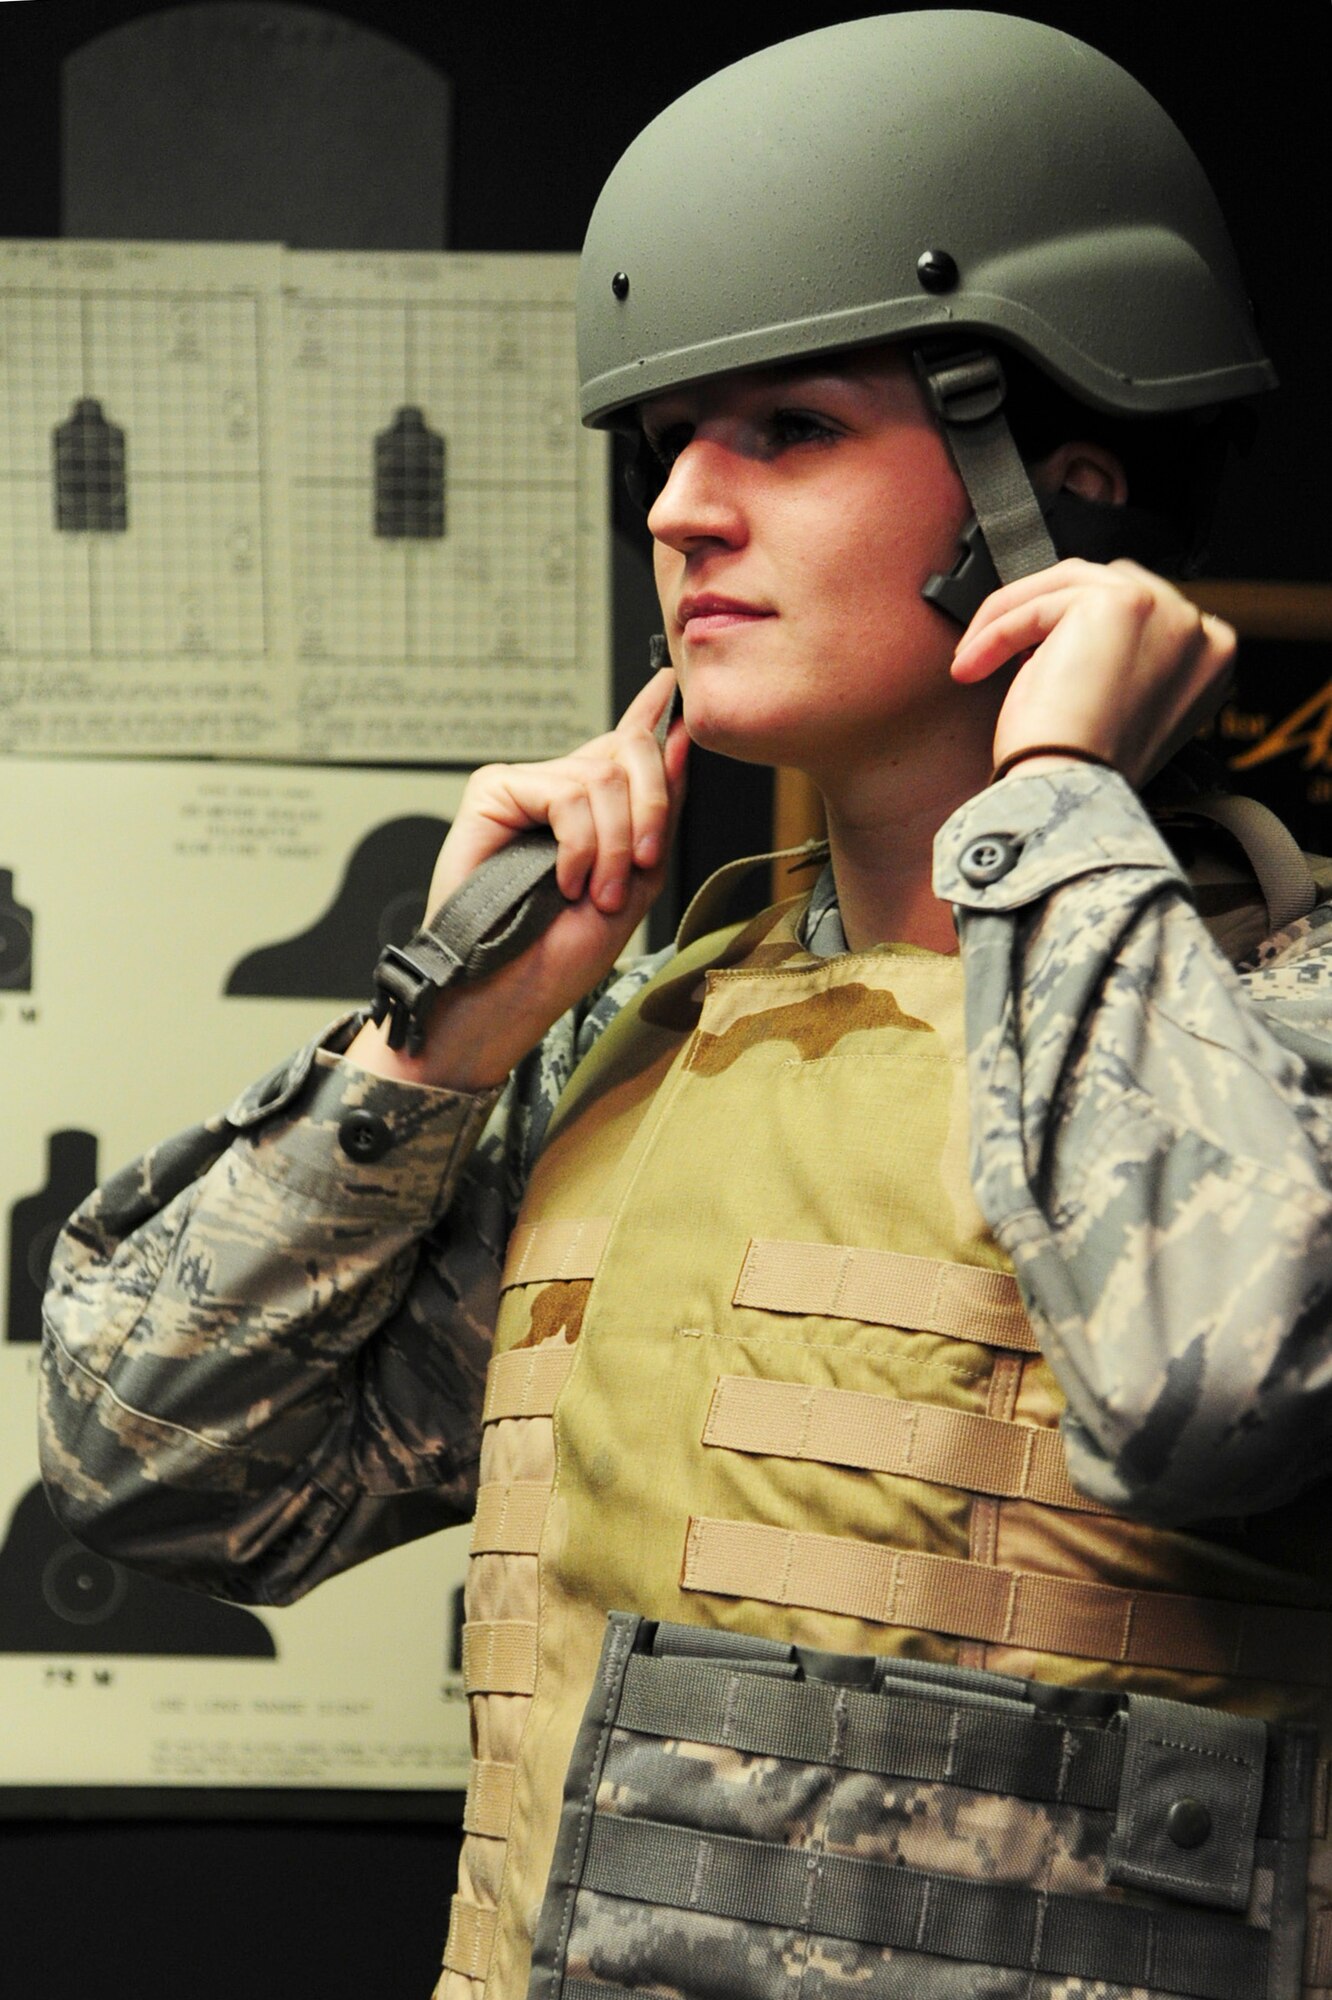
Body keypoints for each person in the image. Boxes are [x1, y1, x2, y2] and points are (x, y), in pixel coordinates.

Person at [40, 13, 1332, 2000]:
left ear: (1056, 496)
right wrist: (439, 1035)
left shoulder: (1281, 1022)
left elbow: (1217, 1385)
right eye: (668, 447)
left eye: (788, 431)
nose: (681, 511)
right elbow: (158, 1469)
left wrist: (1061, 812)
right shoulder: (635, 1047)